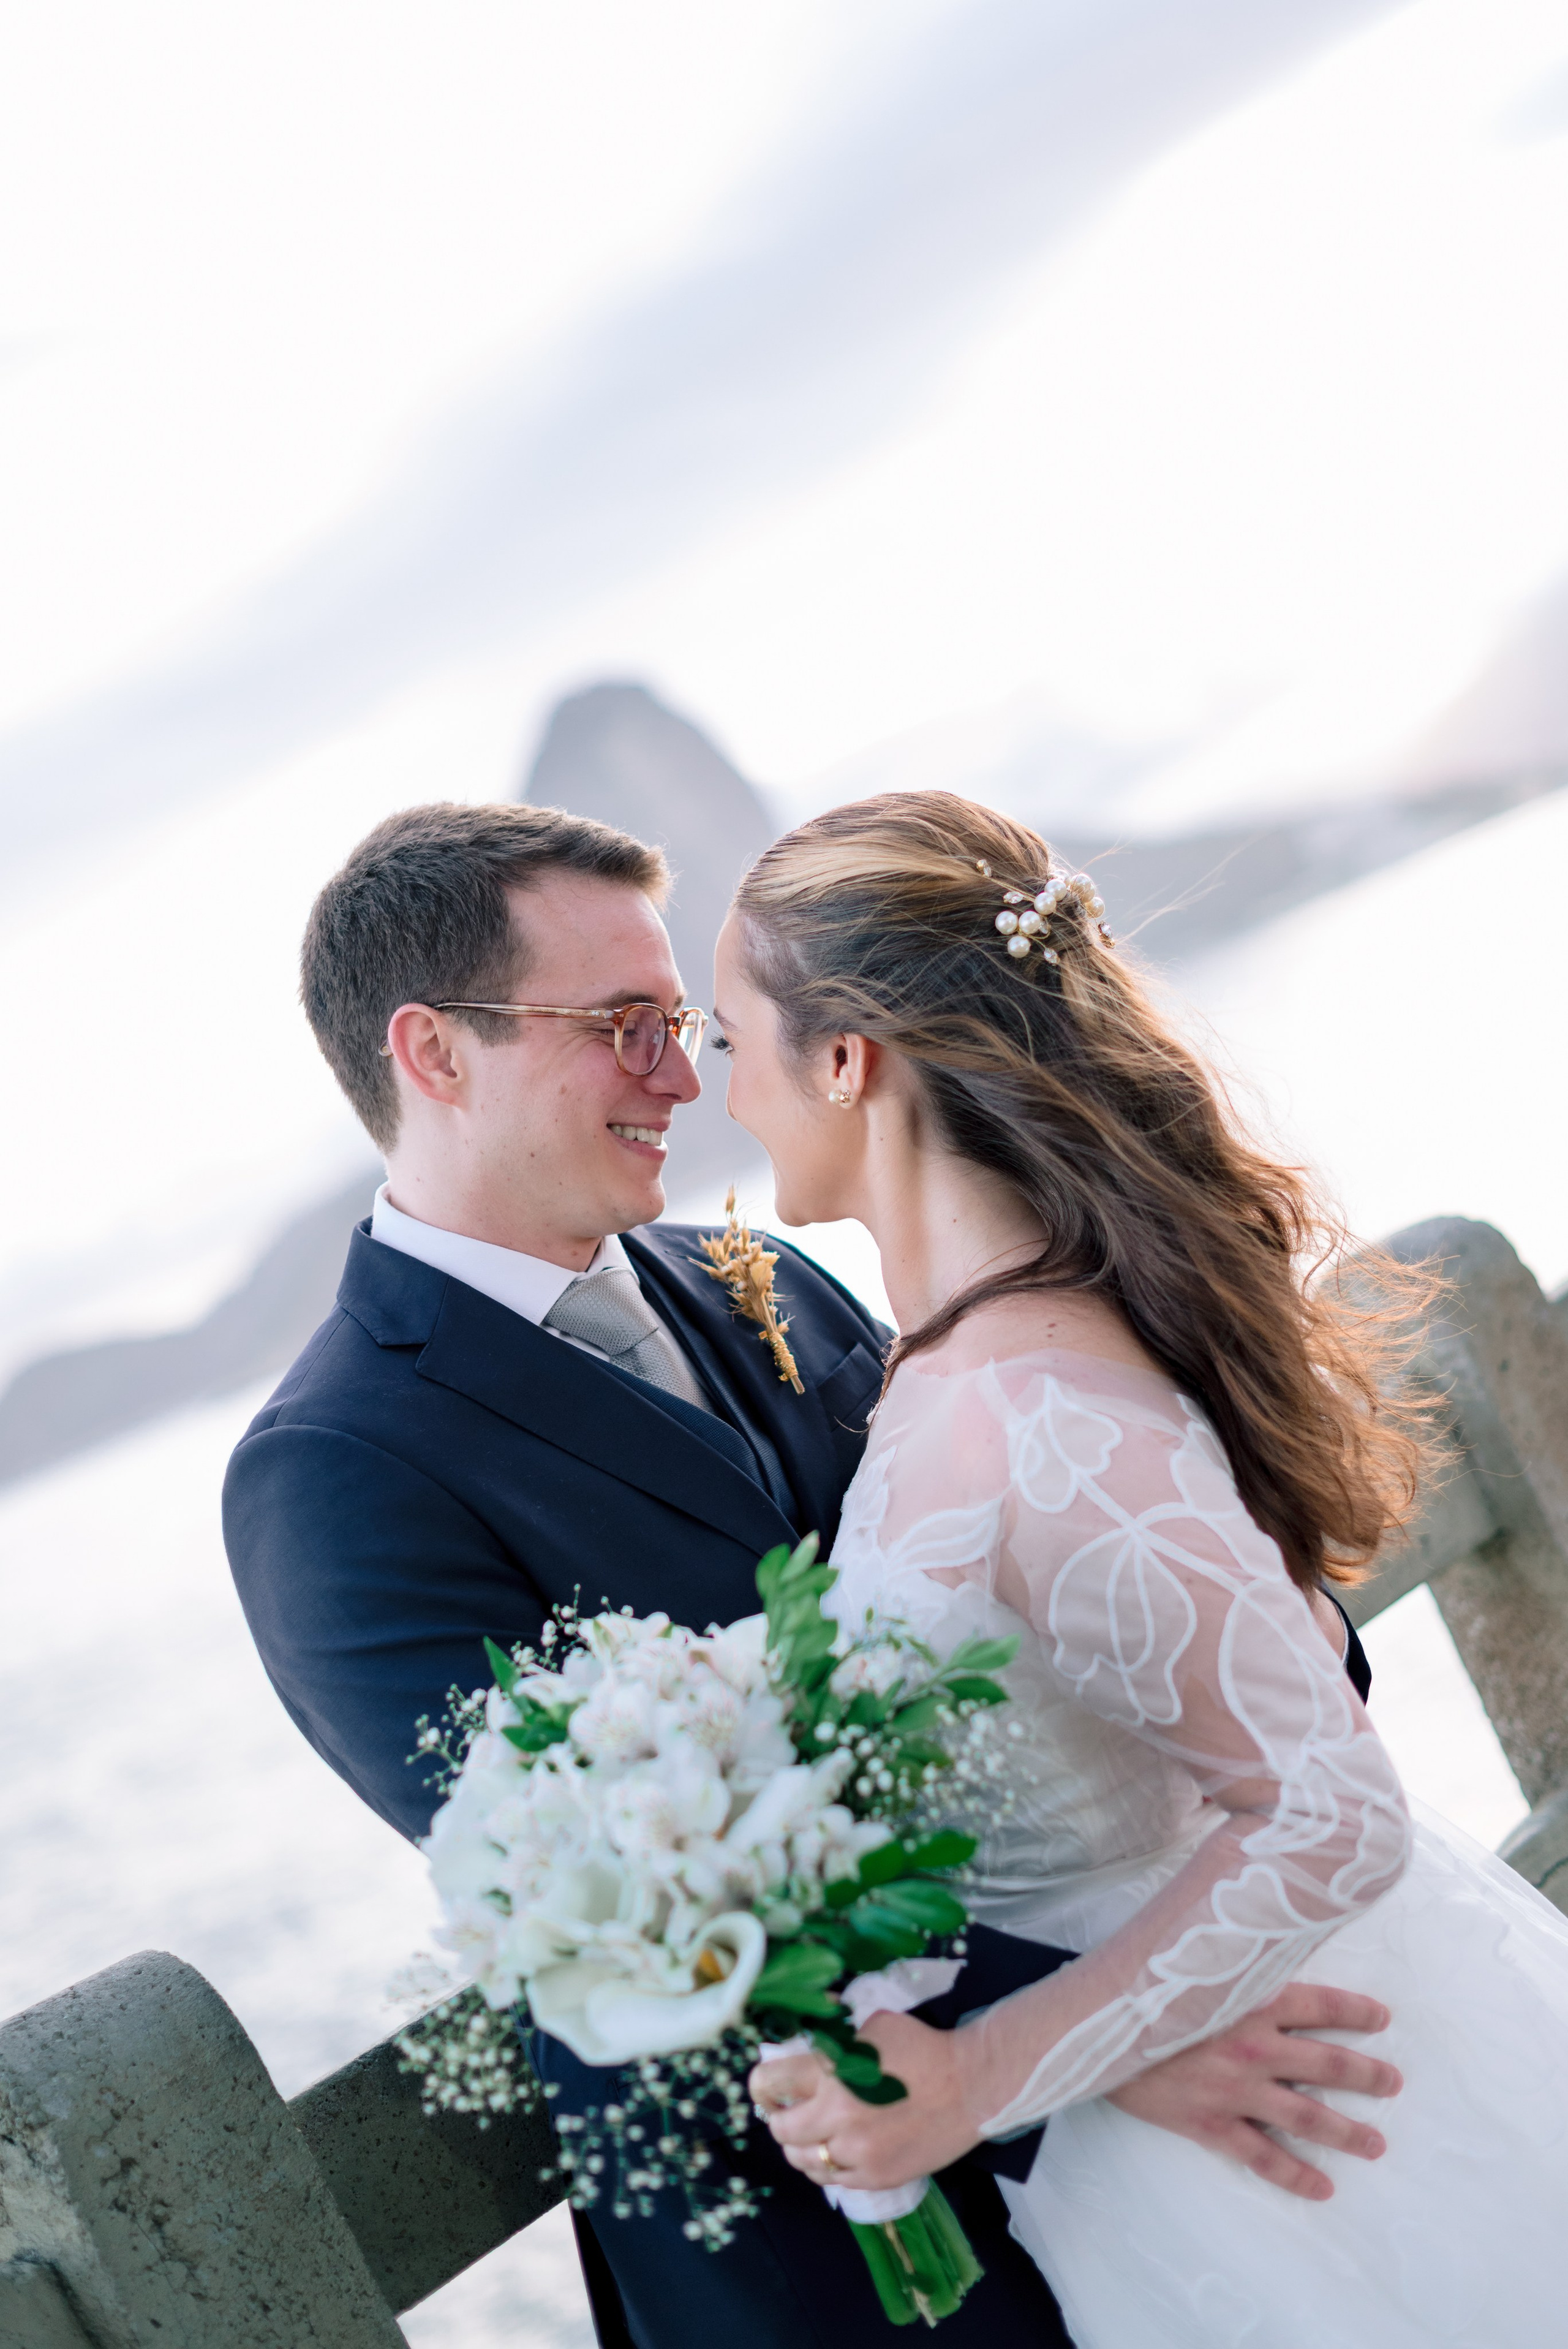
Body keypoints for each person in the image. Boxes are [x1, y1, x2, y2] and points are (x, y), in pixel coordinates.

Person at [225, 800, 1402, 2349]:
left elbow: (1067, 1564)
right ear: (434, 1053)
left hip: (1151, 2132)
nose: (679, 1075)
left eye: (681, 1022)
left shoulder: (768, 1280)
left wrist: (1126, 1978)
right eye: (622, 1026)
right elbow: (601, 1893)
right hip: (829, 2255)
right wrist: (1099, 2035)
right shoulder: (333, 1472)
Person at [730, 792, 1568, 2347]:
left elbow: (1328, 1810)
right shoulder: (976, 1356)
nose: (726, 1092)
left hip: (1302, 2139)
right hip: (1166, 2121)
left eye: (730, 1041)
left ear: (842, 1062)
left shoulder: (1035, 1410)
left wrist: (976, 2076)